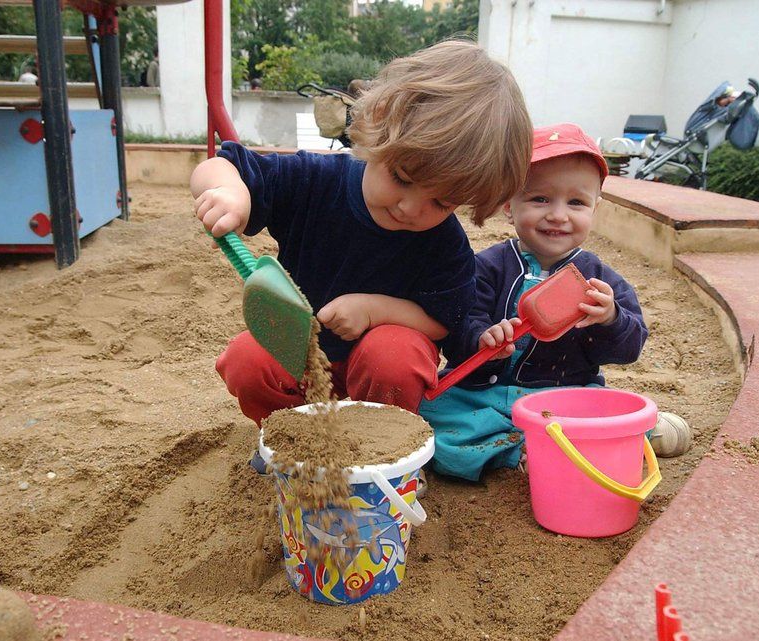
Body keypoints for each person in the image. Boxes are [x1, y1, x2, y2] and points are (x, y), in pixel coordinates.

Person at [191, 39, 532, 429]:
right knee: (246, 361)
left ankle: (385, 446)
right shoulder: (313, 181)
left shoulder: (445, 243)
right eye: (401, 178)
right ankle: (291, 437)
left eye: (442, 202)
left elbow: (443, 320)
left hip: (381, 378)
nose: (411, 208)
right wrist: (230, 194)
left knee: (393, 355)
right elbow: (223, 165)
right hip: (302, 354)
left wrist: (373, 311)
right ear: (379, 124)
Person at [418, 123, 648, 481]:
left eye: (576, 202)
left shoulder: (599, 280)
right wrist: (482, 339)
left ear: (594, 209)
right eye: (540, 199)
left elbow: (630, 347)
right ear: (510, 205)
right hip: (487, 396)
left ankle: (533, 445)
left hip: (562, 398)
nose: (558, 215)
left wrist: (610, 318)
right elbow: (458, 326)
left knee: (610, 419)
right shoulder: (486, 267)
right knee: (432, 427)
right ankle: (516, 450)